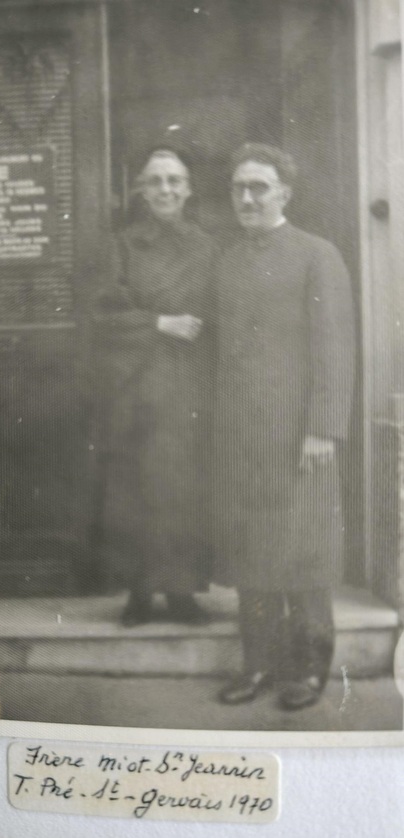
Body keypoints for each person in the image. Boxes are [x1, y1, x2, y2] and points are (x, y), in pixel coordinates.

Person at [214, 143, 355, 710]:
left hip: (302, 437)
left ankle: (310, 670)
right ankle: (259, 667)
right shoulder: (226, 261)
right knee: (254, 557)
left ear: (284, 194)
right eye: (238, 188)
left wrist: (323, 427)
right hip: (244, 437)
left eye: (259, 187)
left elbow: (334, 348)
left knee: (305, 554)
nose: (247, 198)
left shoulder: (317, 255)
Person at [95, 148, 215, 627]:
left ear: (188, 190)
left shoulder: (208, 247)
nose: (166, 190)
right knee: (135, 491)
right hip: (137, 384)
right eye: (156, 181)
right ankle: (139, 593)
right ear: (141, 191)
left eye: (175, 181)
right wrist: (160, 322)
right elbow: (103, 313)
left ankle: (183, 593)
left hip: (190, 387)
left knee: (185, 491)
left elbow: (221, 315)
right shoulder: (122, 246)